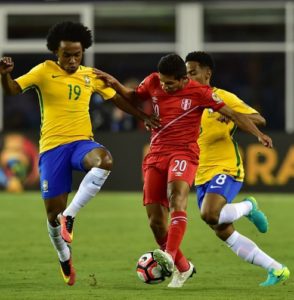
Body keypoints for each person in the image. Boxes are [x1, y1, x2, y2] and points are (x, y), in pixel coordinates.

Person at [0, 21, 159, 286]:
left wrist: (143, 116)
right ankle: (64, 257)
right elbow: (13, 89)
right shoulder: (43, 71)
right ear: (56, 53)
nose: (73, 60)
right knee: (52, 216)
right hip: (52, 149)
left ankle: (70, 216)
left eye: (77, 54)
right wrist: (4, 75)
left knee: (104, 160)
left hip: (81, 143)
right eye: (67, 55)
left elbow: (116, 100)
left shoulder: (90, 75)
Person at [94, 53, 273, 288]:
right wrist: (116, 85)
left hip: (184, 152)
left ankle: (168, 255)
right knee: (156, 221)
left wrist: (258, 134)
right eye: (163, 81)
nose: (165, 87)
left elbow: (233, 114)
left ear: (182, 80)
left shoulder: (201, 93)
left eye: (171, 83)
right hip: (156, 154)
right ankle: (183, 267)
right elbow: (133, 97)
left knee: (177, 198)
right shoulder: (154, 82)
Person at [185, 51, 290, 287]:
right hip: (200, 174)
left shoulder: (222, 98)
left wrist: (232, 115)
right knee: (222, 230)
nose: (189, 77)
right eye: (186, 73)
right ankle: (277, 269)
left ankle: (248, 206)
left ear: (207, 73)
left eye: (193, 72)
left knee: (209, 214)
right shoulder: (186, 103)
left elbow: (259, 119)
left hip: (226, 168)